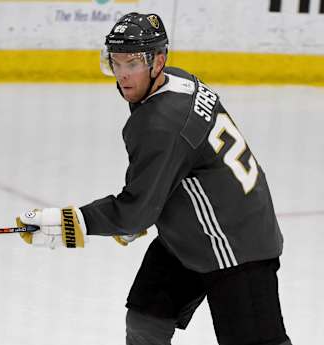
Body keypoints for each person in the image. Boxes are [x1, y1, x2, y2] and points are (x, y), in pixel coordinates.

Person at [16, 12, 292, 345]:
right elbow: (175, 171)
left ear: (157, 61)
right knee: (146, 321)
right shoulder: (176, 81)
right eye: (115, 63)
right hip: (193, 235)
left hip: (237, 243)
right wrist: (144, 210)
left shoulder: (162, 122)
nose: (122, 76)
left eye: (132, 63)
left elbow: (136, 211)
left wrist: (70, 222)